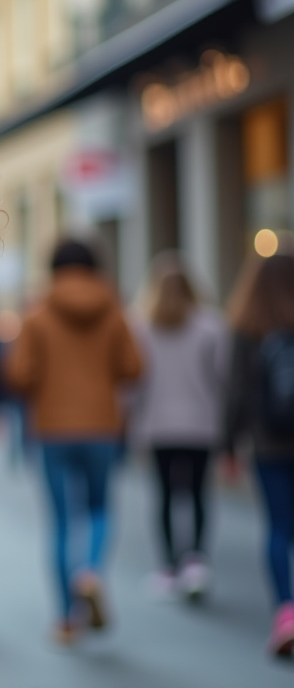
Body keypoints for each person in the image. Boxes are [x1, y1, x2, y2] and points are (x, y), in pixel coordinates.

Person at [1, 239, 142, 645]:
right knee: (99, 508)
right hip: (102, 427)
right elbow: (133, 367)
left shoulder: (39, 313)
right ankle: (91, 570)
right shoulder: (114, 310)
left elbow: (18, 374)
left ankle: (65, 618)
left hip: (53, 430)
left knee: (62, 522)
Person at [129, 253, 228, 602]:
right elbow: (222, 377)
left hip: (157, 424)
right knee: (199, 493)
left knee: (165, 496)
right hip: (201, 422)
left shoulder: (140, 325)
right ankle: (197, 561)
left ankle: (169, 566)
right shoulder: (212, 325)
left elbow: (132, 382)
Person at [224, 252, 294, 658]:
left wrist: (229, 444)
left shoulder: (247, 324)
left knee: (278, 528)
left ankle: (286, 613)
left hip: (267, 444)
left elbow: (236, 390)